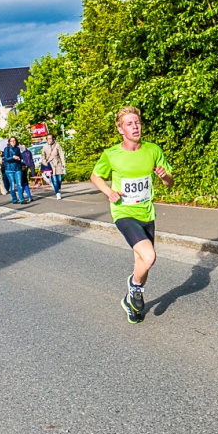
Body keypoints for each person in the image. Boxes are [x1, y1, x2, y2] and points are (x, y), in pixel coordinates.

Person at [90, 107, 174, 324]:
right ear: (120, 129)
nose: (135, 127)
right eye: (129, 123)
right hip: (123, 212)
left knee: (142, 261)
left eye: (137, 122)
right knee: (149, 256)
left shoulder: (153, 150)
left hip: (146, 212)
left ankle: (132, 304)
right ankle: (135, 288)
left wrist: (165, 177)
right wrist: (109, 192)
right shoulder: (111, 154)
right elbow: (95, 176)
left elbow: (170, 182)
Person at [42, 133, 66, 200]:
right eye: (48, 138)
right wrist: (44, 162)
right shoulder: (45, 146)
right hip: (50, 165)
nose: (49, 140)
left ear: (53, 138)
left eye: (50, 138)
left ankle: (58, 189)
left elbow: (61, 154)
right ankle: (57, 193)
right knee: (54, 179)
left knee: (59, 179)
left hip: (58, 164)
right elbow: (43, 155)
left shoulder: (57, 145)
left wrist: (63, 163)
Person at [1, 137, 24, 205]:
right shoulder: (7, 149)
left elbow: (20, 157)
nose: (13, 142)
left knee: (19, 184)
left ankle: (21, 199)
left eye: (14, 141)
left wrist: (21, 161)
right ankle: (14, 199)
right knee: (12, 185)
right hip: (9, 169)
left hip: (17, 168)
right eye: (11, 141)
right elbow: (5, 158)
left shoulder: (18, 148)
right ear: (9, 142)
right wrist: (13, 157)